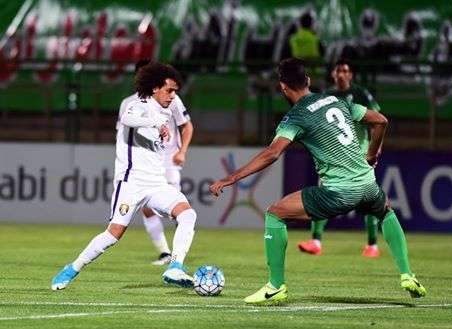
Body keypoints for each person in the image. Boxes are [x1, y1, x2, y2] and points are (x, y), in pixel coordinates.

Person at [210, 58, 426, 305]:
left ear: (283, 87)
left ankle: (275, 286)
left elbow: (272, 153)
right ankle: (408, 274)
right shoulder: (338, 100)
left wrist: (232, 178)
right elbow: (381, 120)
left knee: (275, 214)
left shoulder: (296, 116)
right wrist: (372, 154)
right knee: (386, 211)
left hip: (338, 193)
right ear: (309, 81)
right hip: (368, 185)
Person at [52, 62, 197, 290]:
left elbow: (182, 125)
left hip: (156, 183)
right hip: (131, 182)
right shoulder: (135, 105)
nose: (173, 95)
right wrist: (155, 123)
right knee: (113, 234)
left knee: (188, 214)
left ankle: (175, 266)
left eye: (175, 91)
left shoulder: (168, 109)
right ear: (154, 89)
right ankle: (72, 268)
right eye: (169, 90)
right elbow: (129, 119)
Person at [298, 59, 382, 258]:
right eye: (338, 71)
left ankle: (372, 245)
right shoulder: (327, 95)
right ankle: (316, 241)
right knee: (324, 194)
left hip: (360, 154)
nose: (342, 74)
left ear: (350, 75)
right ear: (334, 75)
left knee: (369, 198)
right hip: (335, 155)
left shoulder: (360, 94)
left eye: (345, 70)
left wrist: (375, 149)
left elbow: (377, 120)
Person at [119, 60, 194, 266]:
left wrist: (182, 151)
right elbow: (123, 135)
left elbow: (187, 126)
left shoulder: (171, 97)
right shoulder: (128, 104)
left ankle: (178, 256)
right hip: (143, 165)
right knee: (147, 207)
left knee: (178, 210)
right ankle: (165, 252)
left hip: (168, 161)